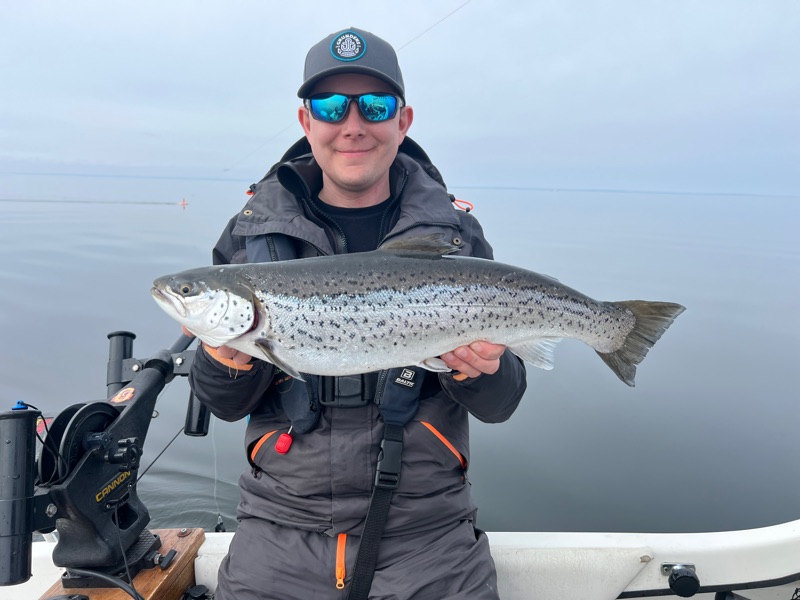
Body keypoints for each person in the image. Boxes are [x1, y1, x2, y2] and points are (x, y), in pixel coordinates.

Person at [187, 27, 528, 600]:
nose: (352, 125)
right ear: (306, 121)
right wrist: (223, 355)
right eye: (330, 106)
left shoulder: (456, 236)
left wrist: (481, 370)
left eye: (374, 105)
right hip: (278, 534)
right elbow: (223, 405)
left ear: (403, 120)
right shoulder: (250, 237)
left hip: (431, 539)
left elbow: (503, 403)